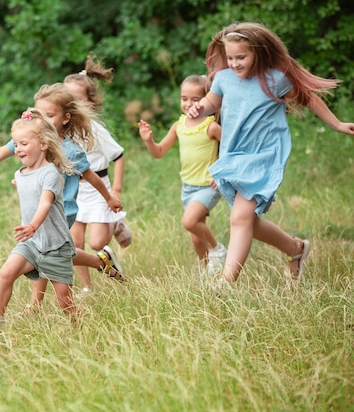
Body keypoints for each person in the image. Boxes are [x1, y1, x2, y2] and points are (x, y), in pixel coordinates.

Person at [186, 22, 354, 287]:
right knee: (248, 219)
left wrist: (337, 124)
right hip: (234, 155)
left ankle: (226, 284)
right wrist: (199, 108)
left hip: (264, 155)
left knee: (240, 218)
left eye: (241, 57)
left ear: (258, 52)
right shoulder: (224, 79)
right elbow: (211, 103)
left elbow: (308, 98)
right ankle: (296, 249)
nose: (235, 63)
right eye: (230, 58)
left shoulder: (275, 79)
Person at [0, 83, 124, 301]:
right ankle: (101, 261)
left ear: (66, 118)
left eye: (50, 115)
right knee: (55, 252)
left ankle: (35, 304)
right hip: (37, 210)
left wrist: (109, 197)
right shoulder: (31, 139)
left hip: (60, 211)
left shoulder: (71, 152)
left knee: (43, 252)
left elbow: (91, 177)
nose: (44, 122)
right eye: (40, 115)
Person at [0, 108, 78, 342]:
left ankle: (79, 332)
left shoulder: (50, 173)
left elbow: (45, 203)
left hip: (55, 246)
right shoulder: (21, 173)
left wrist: (33, 225)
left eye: (23, 143)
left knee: (65, 303)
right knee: (6, 272)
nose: (17, 149)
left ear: (43, 144)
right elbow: (28, 190)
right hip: (31, 243)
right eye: (16, 144)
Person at [138, 75, 226, 275]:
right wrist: (149, 141)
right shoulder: (179, 126)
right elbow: (159, 152)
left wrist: (221, 173)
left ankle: (217, 250)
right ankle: (208, 273)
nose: (188, 104)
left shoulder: (211, 126)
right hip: (188, 188)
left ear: (207, 100)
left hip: (208, 186)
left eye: (195, 99)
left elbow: (231, 149)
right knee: (196, 236)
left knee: (189, 221)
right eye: (184, 98)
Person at [63, 55, 133, 295]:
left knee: (97, 243)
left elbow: (119, 156)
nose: (73, 104)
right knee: (75, 242)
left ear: (90, 102)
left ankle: (116, 224)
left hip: (98, 189)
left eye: (78, 99)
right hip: (74, 189)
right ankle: (87, 287)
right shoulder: (61, 130)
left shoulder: (95, 129)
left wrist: (116, 191)